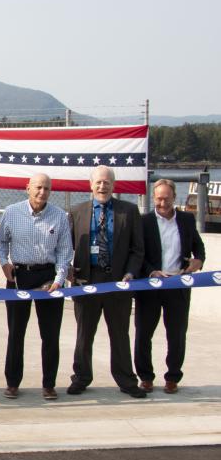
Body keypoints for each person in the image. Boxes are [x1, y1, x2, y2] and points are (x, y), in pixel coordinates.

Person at [67, 165, 147, 398]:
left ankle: (126, 381)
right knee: (84, 335)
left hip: (118, 282)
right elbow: (65, 246)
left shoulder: (129, 211)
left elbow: (137, 250)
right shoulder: (77, 211)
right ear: (91, 185)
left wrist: (131, 273)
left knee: (120, 334)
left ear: (114, 185)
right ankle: (81, 377)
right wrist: (67, 269)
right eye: (98, 182)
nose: (103, 186)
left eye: (107, 182)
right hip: (86, 281)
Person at [0, 173, 73, 401]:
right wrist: (4, 264)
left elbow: (64, 252)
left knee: (50, 335)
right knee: (16, 333)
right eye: (38, 187)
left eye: (47, 188)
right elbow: (1, 244)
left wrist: (59, 280)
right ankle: (12, 383)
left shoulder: (59, 216)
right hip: (19, 276)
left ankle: (49, 385)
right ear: (27, 188)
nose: (42, 192)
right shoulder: (11, 212)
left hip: (49, 278)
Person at [134, 178, 205, 394]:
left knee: (176, 334)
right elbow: (138, 253)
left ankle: (173, 377)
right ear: (153, 198)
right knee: (143, 333)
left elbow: (198, 248)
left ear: (175, 197)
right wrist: (151, 271)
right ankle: (145, 377)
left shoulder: (186, 219)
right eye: (158, 198)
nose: (162, 203)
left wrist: (197, 261)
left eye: (166, 198)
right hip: (150, 286)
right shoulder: (144, 221)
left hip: (178, 285)